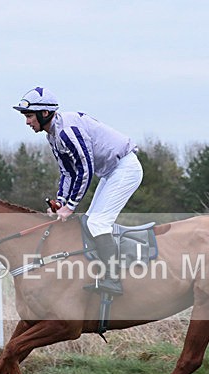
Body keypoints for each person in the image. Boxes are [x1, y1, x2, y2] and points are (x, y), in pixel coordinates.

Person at [13, 86, 143, 296]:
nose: (27, 122)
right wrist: (60, 202)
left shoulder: (66, 132)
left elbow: (85, 169)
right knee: (90, 221)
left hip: (125, 169)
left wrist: (71, 206)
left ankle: (113, 279)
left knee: (97, 223)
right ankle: (100, 272)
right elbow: (67, 172)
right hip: (111, 171)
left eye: (29, 116)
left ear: (44, 113)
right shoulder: (53, 135)